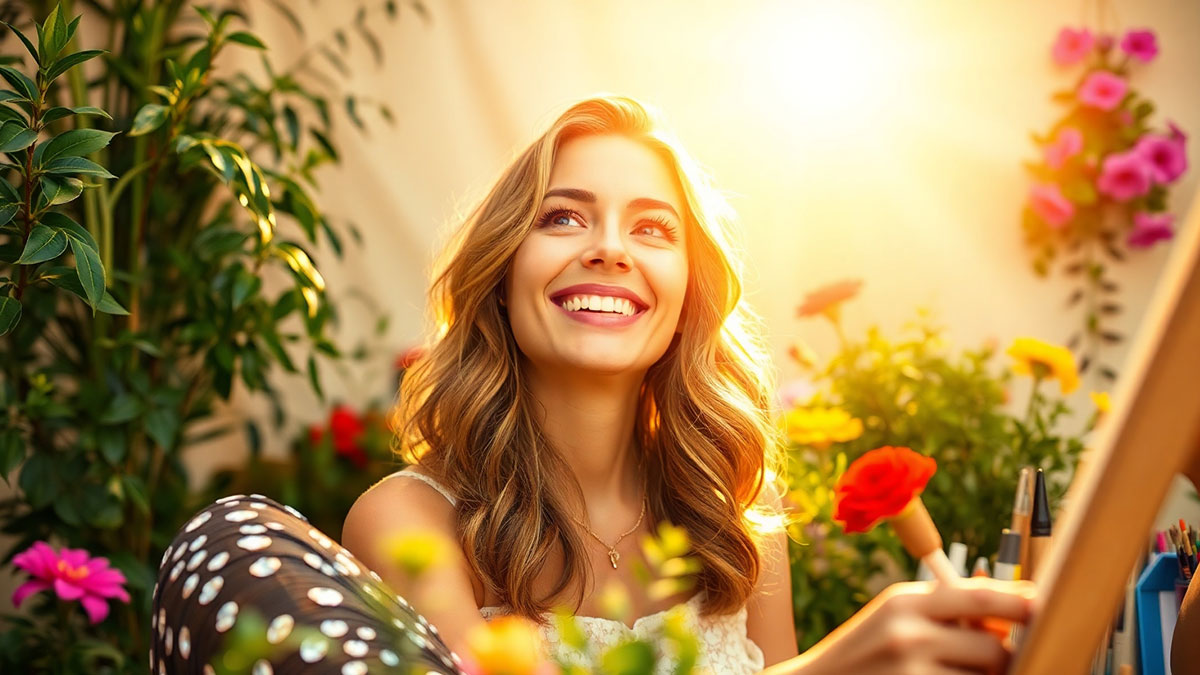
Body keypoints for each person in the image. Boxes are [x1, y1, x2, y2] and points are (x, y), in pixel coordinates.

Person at [342, 94, 1036, 674]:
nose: (610, 248)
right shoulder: (406, 523)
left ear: (686, 300)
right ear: (500, 277)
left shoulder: (735, 500)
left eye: (652, 228)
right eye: (562, 217)